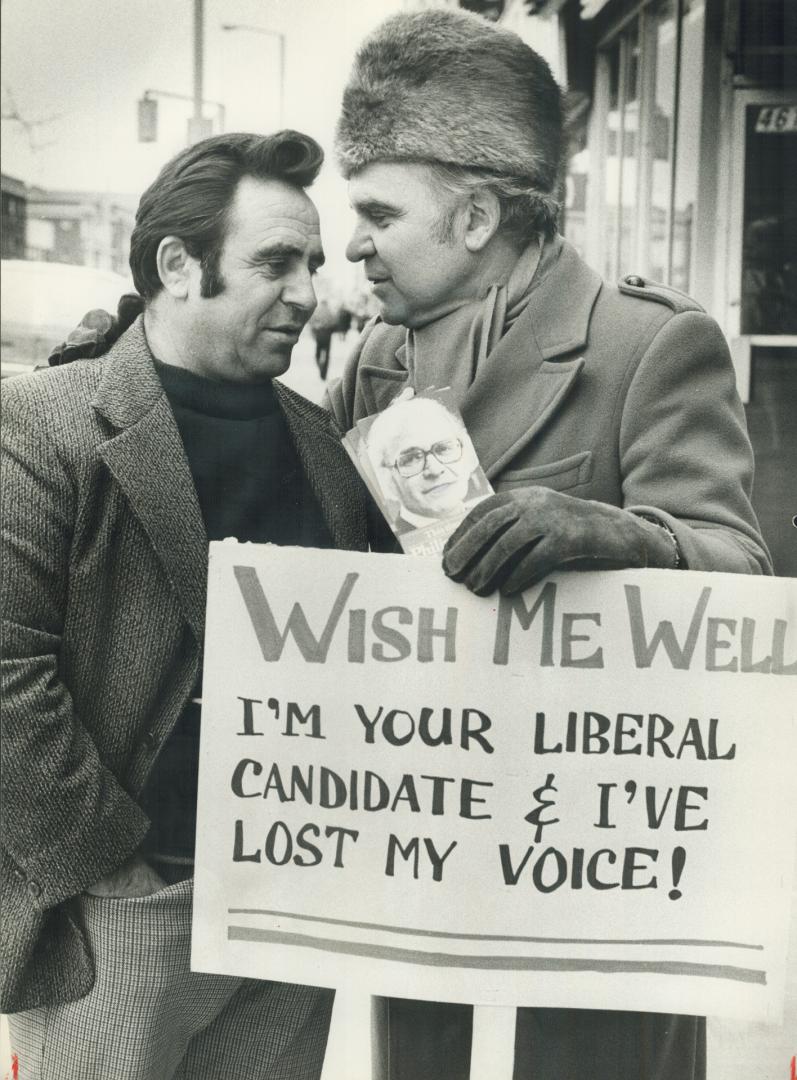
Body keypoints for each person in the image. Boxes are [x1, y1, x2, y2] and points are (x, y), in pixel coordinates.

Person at [323, 8, 773, 1080]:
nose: (354, 244)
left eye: (379, 213)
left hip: (595, 879)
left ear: (475, 214)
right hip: (428, 856)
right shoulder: (375, 363)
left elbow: (741, 574)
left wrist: (618, 533)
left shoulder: (647, 345)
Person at [0, 130, 370, 1080]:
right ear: (177, 264)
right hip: (127, 910)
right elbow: (7, 671)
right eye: (275, 262)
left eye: (313, 266)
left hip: (292, 912)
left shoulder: (323, 444)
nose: (306, 294)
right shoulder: (45, 423)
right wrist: (109, 866)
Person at [365, 395, 487, 534]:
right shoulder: (389, 548)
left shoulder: (494, 515)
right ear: (386, 480)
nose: (435, 470)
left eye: (444, 448)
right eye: (411, 459)